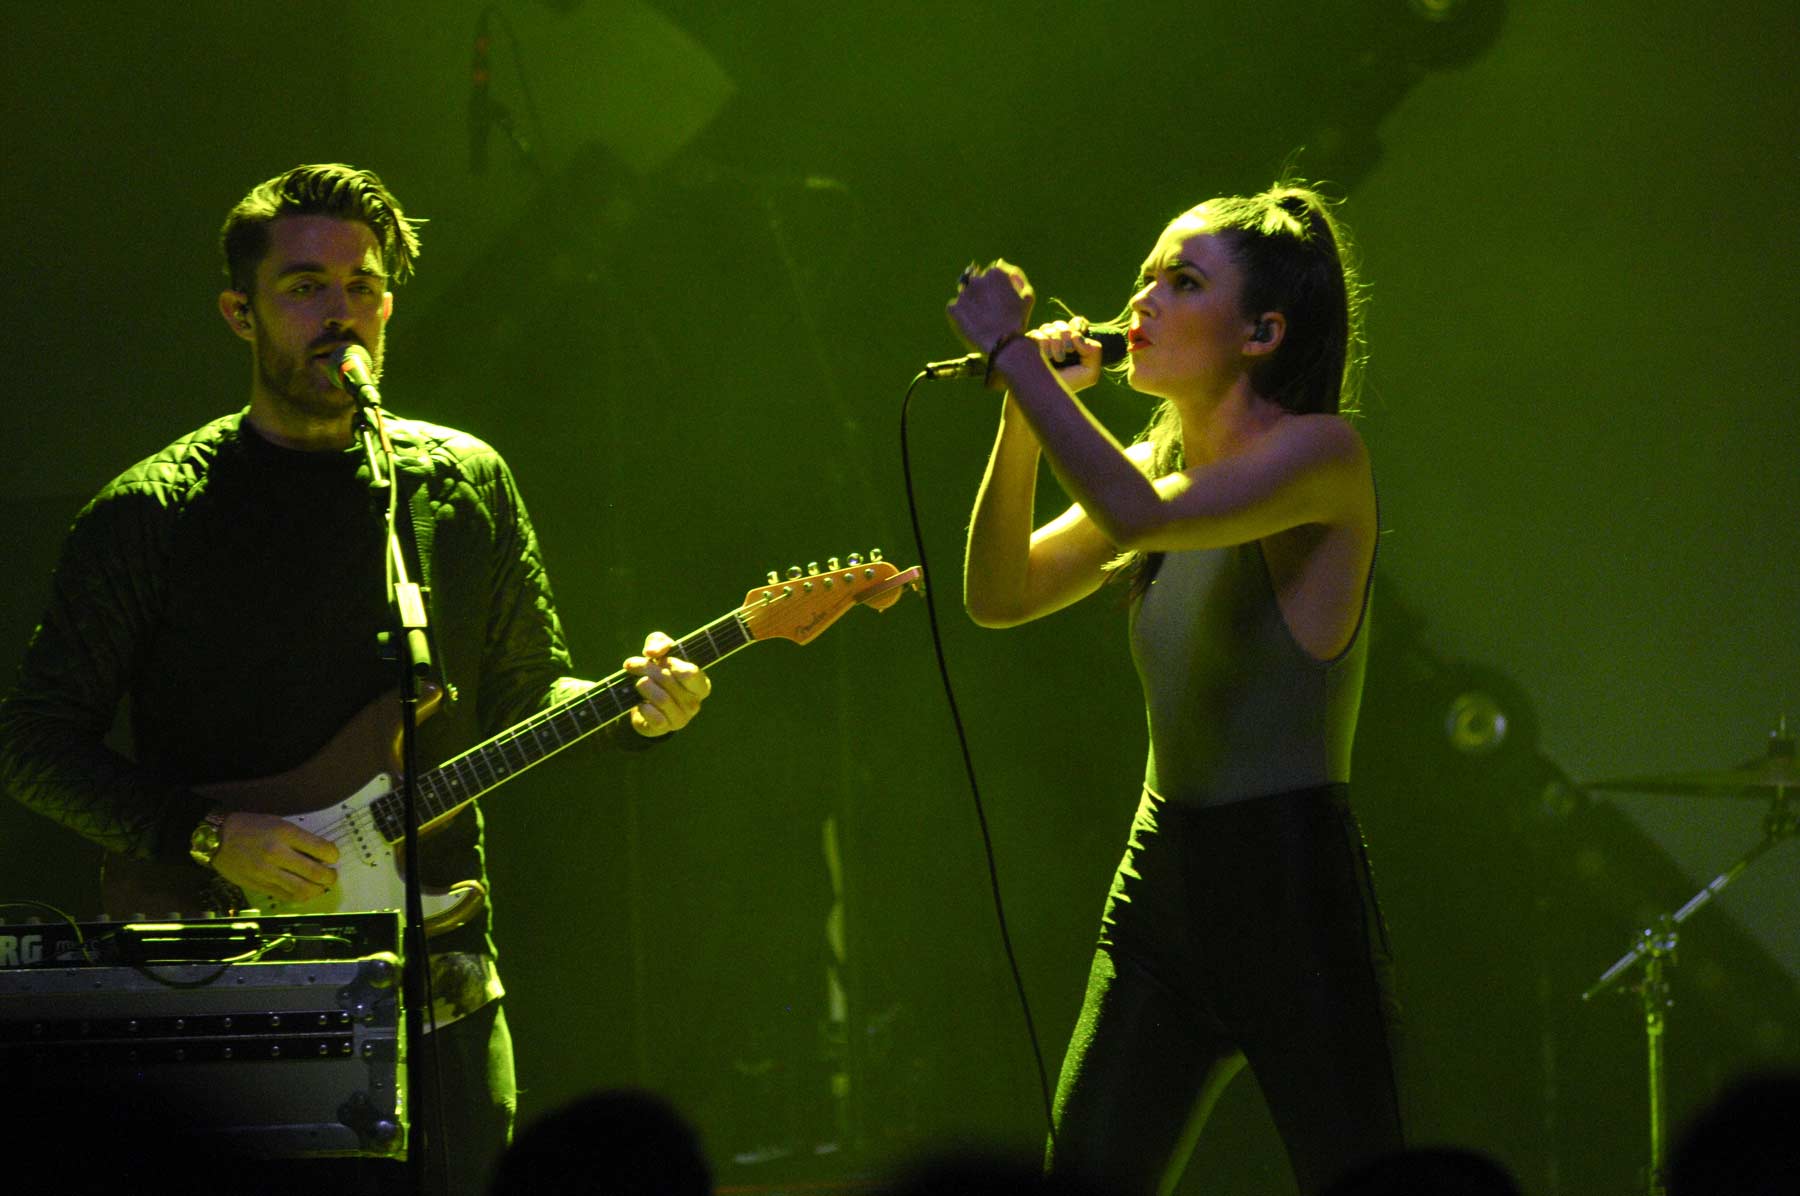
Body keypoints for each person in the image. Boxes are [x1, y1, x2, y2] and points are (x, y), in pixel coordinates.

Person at [0, 163, 712, 1195]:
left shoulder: (462, 484)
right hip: (232, 981)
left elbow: (531, 695)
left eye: (364, 287)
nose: (344, 313)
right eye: (306, 288)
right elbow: (30, 739)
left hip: (445, 983)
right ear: (240, 313)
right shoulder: (150, 514)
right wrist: (204, 831)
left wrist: (637, 708)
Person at [949, 183, 1399, 1195]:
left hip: (1290, 893)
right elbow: (998, 592)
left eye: (1183, 281)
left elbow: (1144, 519)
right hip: (1162, 893)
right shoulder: (1152, 464)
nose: (1141, 301)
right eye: (1146, 273)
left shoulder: (1322, 457)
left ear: (1261, 332)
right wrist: (1028, 412)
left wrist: (1021, 362)